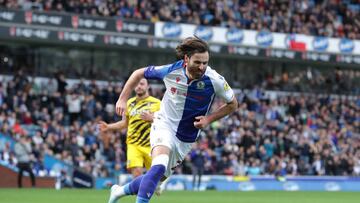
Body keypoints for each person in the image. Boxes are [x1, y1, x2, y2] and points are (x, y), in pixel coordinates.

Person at [108, 36, 238, 203]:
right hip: (164, 124)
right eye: (197, 62)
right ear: (186, 58)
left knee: (155, 179)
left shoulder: (215, 80)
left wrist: (209, 119)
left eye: (205, 63)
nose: (202, 67)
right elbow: (138, 73)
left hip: (186, 138)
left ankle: (119, 191)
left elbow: (233, 104)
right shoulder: (171, 70)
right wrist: (122, 99)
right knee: (159, 164)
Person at [99, 78, 161, 178]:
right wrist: (108, 127)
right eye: (136, 84)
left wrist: (152, 118)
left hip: (151, 144)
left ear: (148, 86)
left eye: (141, 84)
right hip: (133, 144)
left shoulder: (157, 103)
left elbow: (165, 121)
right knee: (136, 174)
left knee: (156, 179)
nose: (139, 86)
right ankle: (139, 193)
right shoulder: (129, 103)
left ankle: (156, 185)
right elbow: (124, 123)